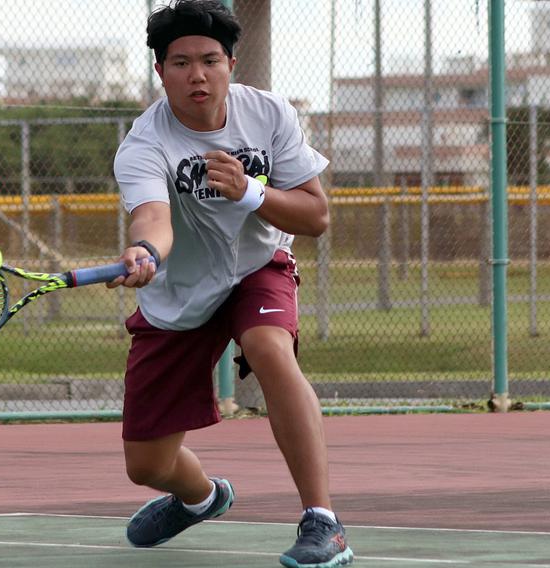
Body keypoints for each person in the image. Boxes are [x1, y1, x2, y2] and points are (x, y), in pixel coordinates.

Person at [109, 1, 353, 566]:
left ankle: (324, 521)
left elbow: (316, 217)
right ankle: (200, 498)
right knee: (145, 466)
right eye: (181, 63)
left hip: (256, 267)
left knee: (269, 348)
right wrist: (145, 251)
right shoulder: (144, 144)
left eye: (210, 60)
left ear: (231, 64)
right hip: (179, 294)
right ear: (160, 71)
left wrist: (251, 194)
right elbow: (152, 218)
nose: (197, 74)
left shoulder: (269, 114)